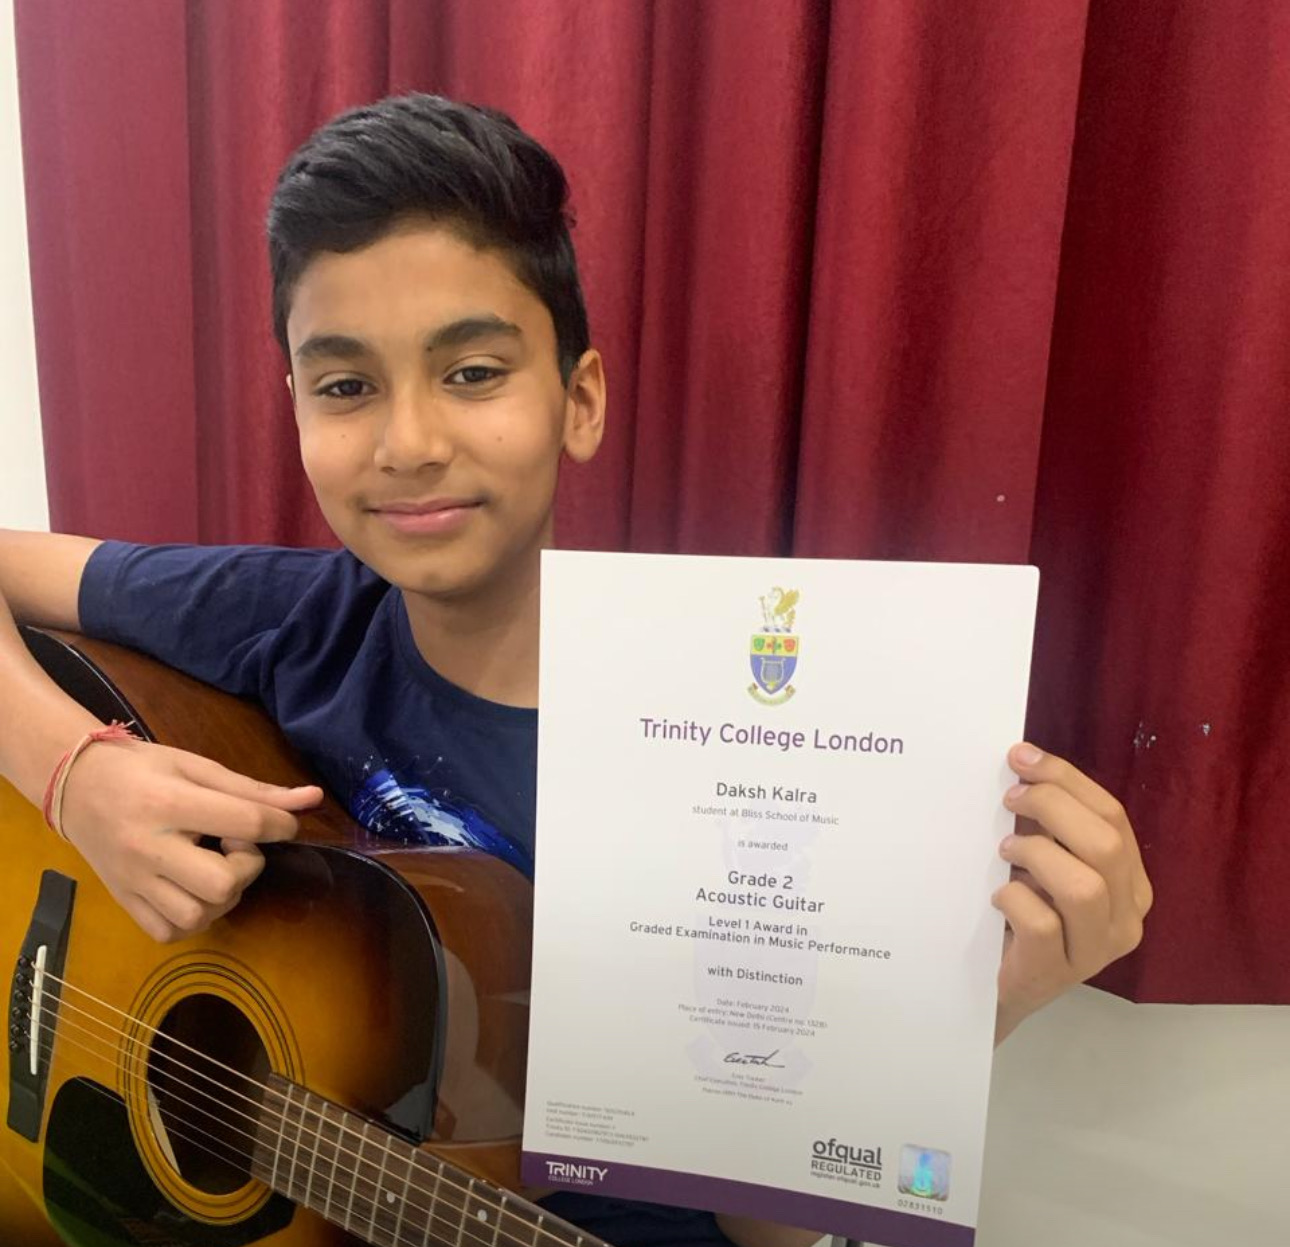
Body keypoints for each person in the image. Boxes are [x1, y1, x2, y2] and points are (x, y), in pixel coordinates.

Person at [0, 94, 1152, 1247]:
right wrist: (73, 775)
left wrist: (962, 1016)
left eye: (472, 372)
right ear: (294, 405)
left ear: (580, 401)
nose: (409, 443)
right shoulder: (293, 615)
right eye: (346, 385)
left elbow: (762, 1228)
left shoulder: (741, 754)